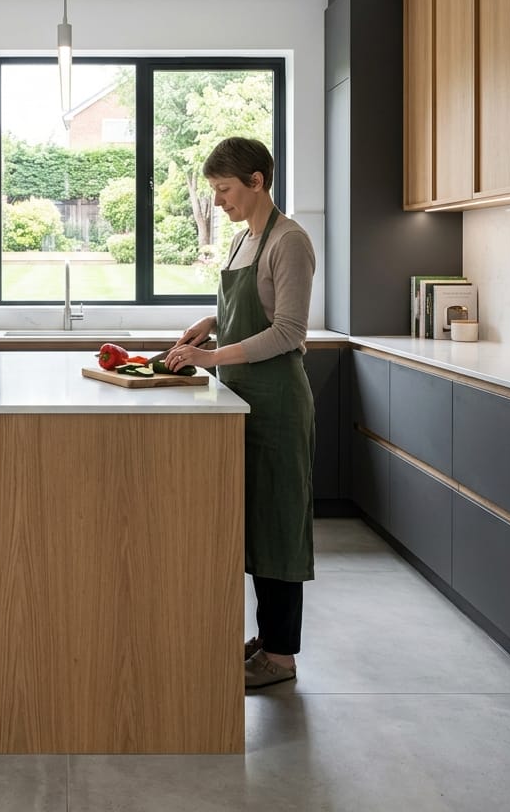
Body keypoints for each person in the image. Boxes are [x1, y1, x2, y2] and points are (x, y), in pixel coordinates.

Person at [164, 136, 316, 689]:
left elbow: (288, 331)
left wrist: (210, 357)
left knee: (279, 527)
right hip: (241, 400)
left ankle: (281, 657)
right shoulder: (241, 240)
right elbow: (248, 312)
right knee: (252, 523)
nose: (218, 200)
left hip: (277, 403)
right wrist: (211, 323)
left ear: (257, 181)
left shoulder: (289, 241)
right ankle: (268, 638)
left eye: (224, 189)